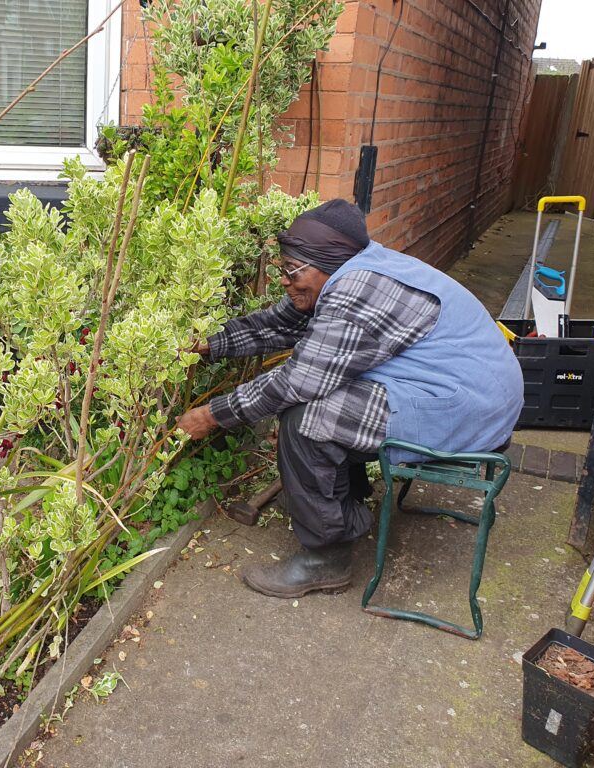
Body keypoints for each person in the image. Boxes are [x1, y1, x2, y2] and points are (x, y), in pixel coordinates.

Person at [176, 199, 523, 599]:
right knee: (323, 402)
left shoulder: (357, 290)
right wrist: (208, 345)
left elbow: (296, 381)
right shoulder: (352, 268)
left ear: (326, 261)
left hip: (467, 407)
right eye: (282, 270)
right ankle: (346, 503)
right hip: (463, 389)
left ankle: (325, 558)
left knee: (308, 416)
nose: (284, 281)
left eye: (292, 271)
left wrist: (212, 415)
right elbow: (282, 323)